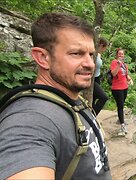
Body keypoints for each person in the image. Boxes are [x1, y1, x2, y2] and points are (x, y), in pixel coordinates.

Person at [0, 13, 112, 179]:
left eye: (90, 54)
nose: (89, 64)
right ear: (43, 57)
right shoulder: (30, 120)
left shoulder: (72, 100)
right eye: (76, 53)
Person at [110, 48, 133, 135]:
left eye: (122, 54)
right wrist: (118, 65)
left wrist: (129, 78)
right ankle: (122, 125)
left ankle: (120, 120)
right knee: (120, 106)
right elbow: (113, 73)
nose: (120, 55)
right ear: (116, 55)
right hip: (117, 88)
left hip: (124, 87)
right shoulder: (114, 62)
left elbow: (126, 75)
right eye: (119, 54)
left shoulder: (125, 65)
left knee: (122, 105)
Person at [93, 38, 109, 115]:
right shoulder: (93, 53)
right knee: (104, 97)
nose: (104, 50)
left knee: (93, 99)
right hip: (92, 79)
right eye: (104, 48)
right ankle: (92, 116)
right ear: (102, 46)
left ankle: (90, 115)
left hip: (97, 78)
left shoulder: (98, 54)